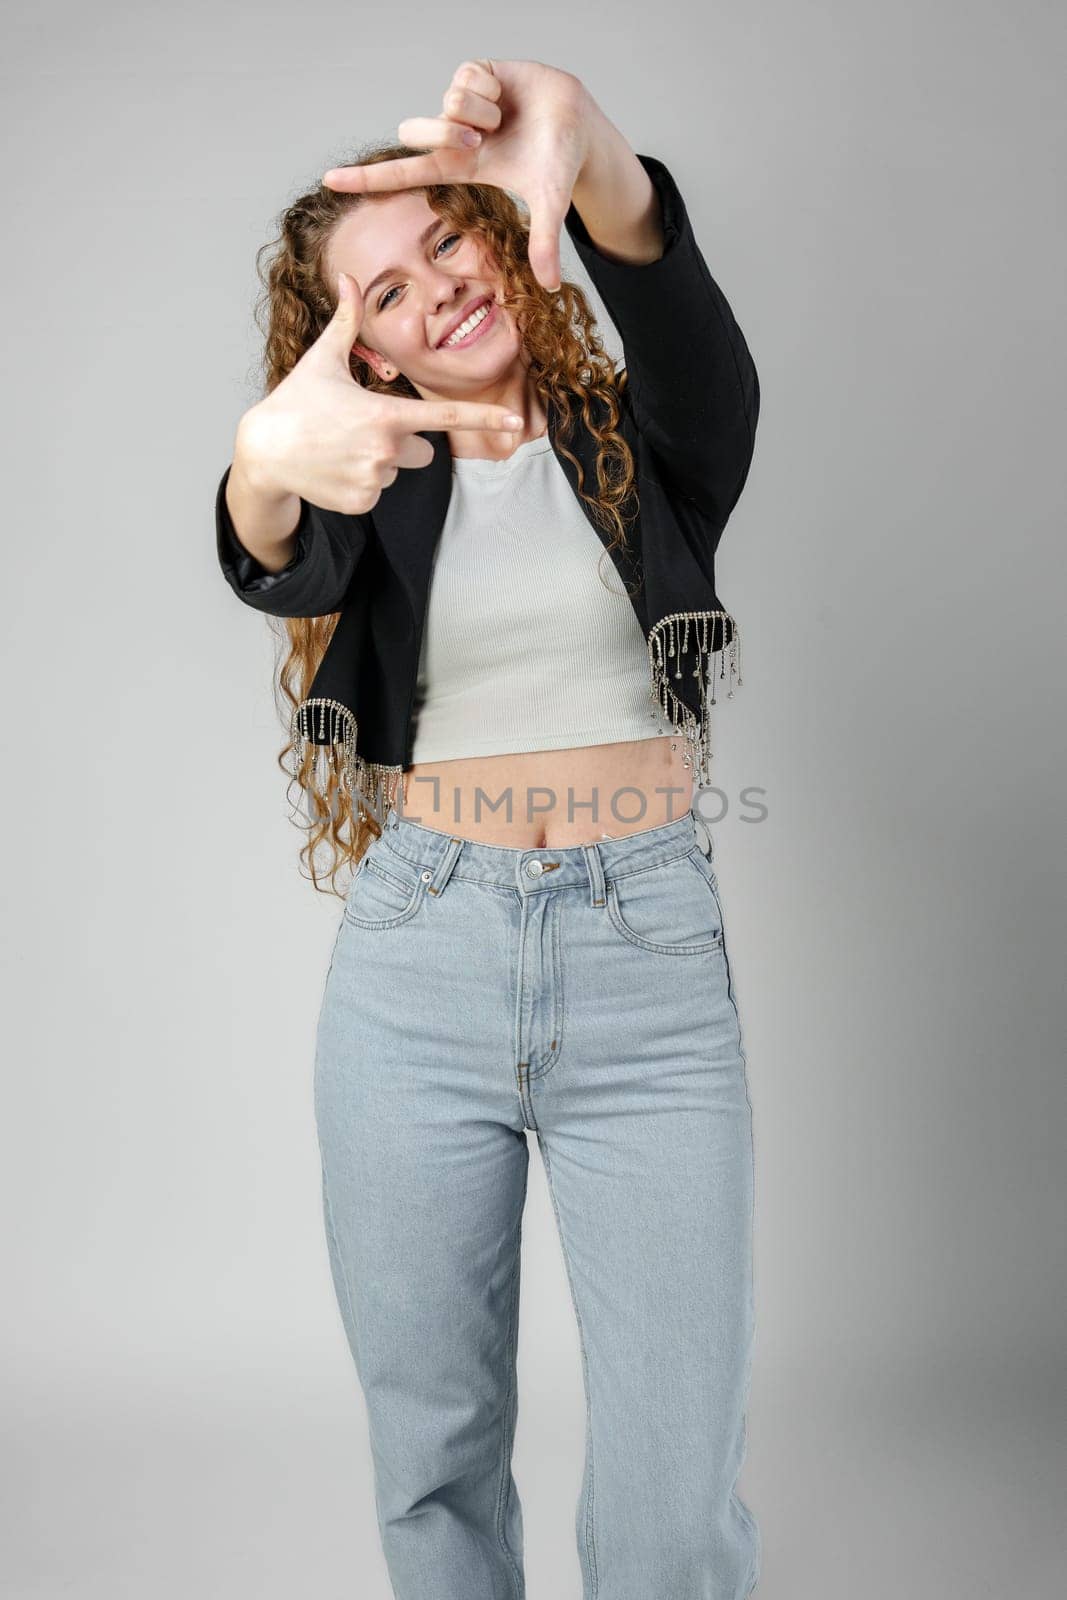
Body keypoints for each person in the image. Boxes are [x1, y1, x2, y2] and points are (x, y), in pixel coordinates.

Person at [216, 57, 761, 1600]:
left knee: (674, 1490)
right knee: (434, 1457)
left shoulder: (644, 451)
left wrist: (595, 159)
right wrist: (263, 469)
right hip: (418, 968)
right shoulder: (364, 483)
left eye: (441, 245)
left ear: (490, 225)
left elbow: (686, 334)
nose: (433, 295)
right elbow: (275, 564)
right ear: (360, 361)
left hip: (646, 969)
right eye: (379, 299)